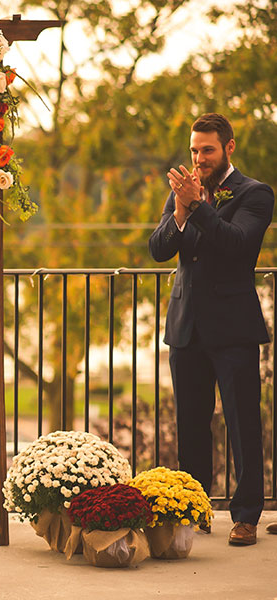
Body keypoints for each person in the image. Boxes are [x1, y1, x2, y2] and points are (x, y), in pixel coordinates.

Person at [149, 113, 274, 547]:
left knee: (242, 425)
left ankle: (246, 517)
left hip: (234, 328)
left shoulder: (255, 193)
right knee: (191, 426)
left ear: (229, 148)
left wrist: (197, 205)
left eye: (208, 150)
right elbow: (159, 250)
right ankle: (193, 509)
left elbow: (237, 246)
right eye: (194, 150)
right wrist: (180, 211)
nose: (199, 159)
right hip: (186, 328)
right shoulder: (183, 193)